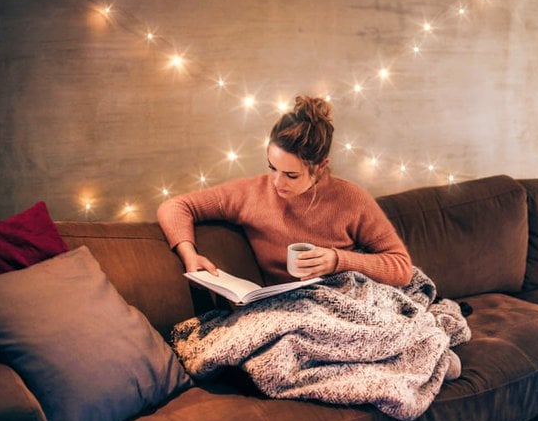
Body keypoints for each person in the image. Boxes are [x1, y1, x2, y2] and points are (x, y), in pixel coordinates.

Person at [157, 95, 413, 287]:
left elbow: (402, 268)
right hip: (288, 308)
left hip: (345, 298)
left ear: (320, 167)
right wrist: (189, 255)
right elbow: (175, 206)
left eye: (292, 175)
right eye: (272, 168)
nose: (278, 182)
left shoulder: (352, 200)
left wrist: (338, 261)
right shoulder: (251, 193)